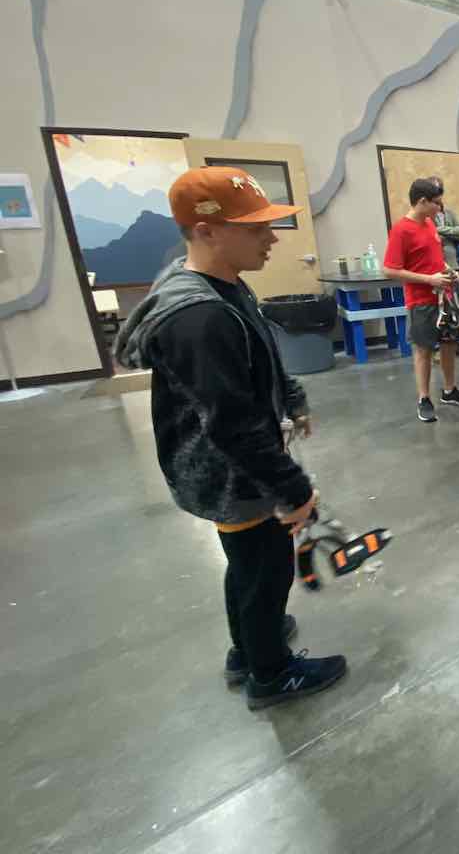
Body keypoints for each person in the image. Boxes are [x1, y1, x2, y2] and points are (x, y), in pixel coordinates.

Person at [113, 167, 346, 710]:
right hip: (232, 472)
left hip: (233, 464)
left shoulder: (222, 284)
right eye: (255, 229)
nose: (271, 239)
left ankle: (248, 647)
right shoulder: (198, 317)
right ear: (207, 231)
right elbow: (231, 423)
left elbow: (258, 351)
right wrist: (294, 488)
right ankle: (270, 674)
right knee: (265, 571)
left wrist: (290, 397)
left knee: (248, 564)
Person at [382, 176, 459, 423]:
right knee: (423, 349)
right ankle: (424, 398)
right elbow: (390, 270)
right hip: (421, 301)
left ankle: (449, 390)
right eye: (436, 203)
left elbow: (434, 258)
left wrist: (447, 269)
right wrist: (429, 280)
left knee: (448, 343)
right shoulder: (402, 230)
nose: (440, 208)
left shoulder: (430, 224)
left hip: (445, 297)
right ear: (422, 201)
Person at [435, 201, 459, 356]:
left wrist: (440, 230)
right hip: (434, 269)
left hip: (454, 267)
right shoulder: (425, 217)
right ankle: (438, 348)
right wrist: (451, 232)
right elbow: (431, 235)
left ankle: (458, 342)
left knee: (456, 307)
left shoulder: (450, 214)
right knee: (439, 308)